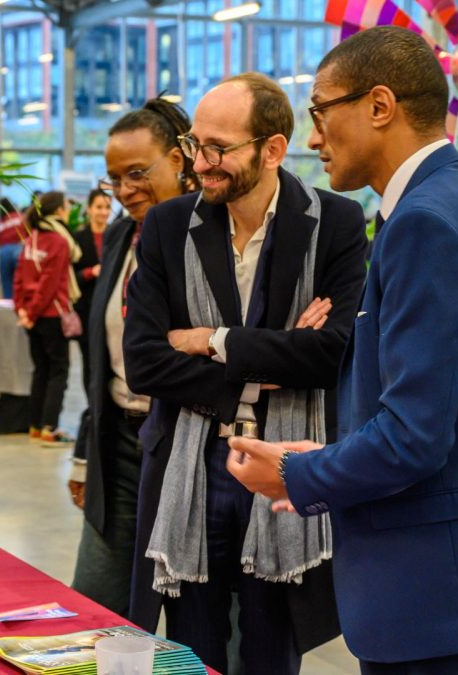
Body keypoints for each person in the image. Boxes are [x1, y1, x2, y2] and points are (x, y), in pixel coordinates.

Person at [227, 26, 458, 674]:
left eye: (318, 113)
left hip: (430, 580)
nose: (312, 138)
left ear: (379, 105)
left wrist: (298, 474)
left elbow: (416, 435)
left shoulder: (425, 222)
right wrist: (333, 454)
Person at [122, 73, 367, 674]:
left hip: (284, 467)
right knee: (189, 652)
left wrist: (211, 340)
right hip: (189, 465)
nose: (200, 164)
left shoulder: (334, 222)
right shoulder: (168, 225)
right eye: (194, 146)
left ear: (273, 149)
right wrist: (275, 356)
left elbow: (335, 354)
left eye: (218, 149)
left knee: (270, 649)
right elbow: (145, 361)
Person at [69, 98, 197, 618]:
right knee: (97, 609)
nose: (124, 191)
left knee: (197, 624)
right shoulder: (121, 233)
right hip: (118, 445)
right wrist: (85, 451)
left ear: (180, 159)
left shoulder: (209, 235)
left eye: (137, 173)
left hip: (187, 444)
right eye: (113, 179)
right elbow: (102, 361)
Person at [13, 190, 81, 447]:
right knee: (58, 371)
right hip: (50, 314)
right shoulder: (59, 242)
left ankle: (35, 425)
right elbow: (50, 284)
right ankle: (49, 427)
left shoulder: (31, 239)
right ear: (58, 210)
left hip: (31, 316)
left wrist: (22, 310)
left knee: (41, 370)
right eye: (65, 206)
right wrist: (30, 312)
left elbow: (19, 277)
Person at [72, 188, 112, 395]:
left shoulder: (116, 236)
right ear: (88, 209)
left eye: (107, 207)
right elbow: (70, 276)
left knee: (109, 359)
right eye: (99, 207)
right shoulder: (77, 238)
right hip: (85, 308)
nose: (103, 212)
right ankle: (92, 405)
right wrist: (90, 272)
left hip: (110, 309)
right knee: (89, 360)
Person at [0, 197, 25, 299]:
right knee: (21, 282)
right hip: (19, 249)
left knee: (6, 285)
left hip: (3, 251)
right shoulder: (20, 217)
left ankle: (7, 309)